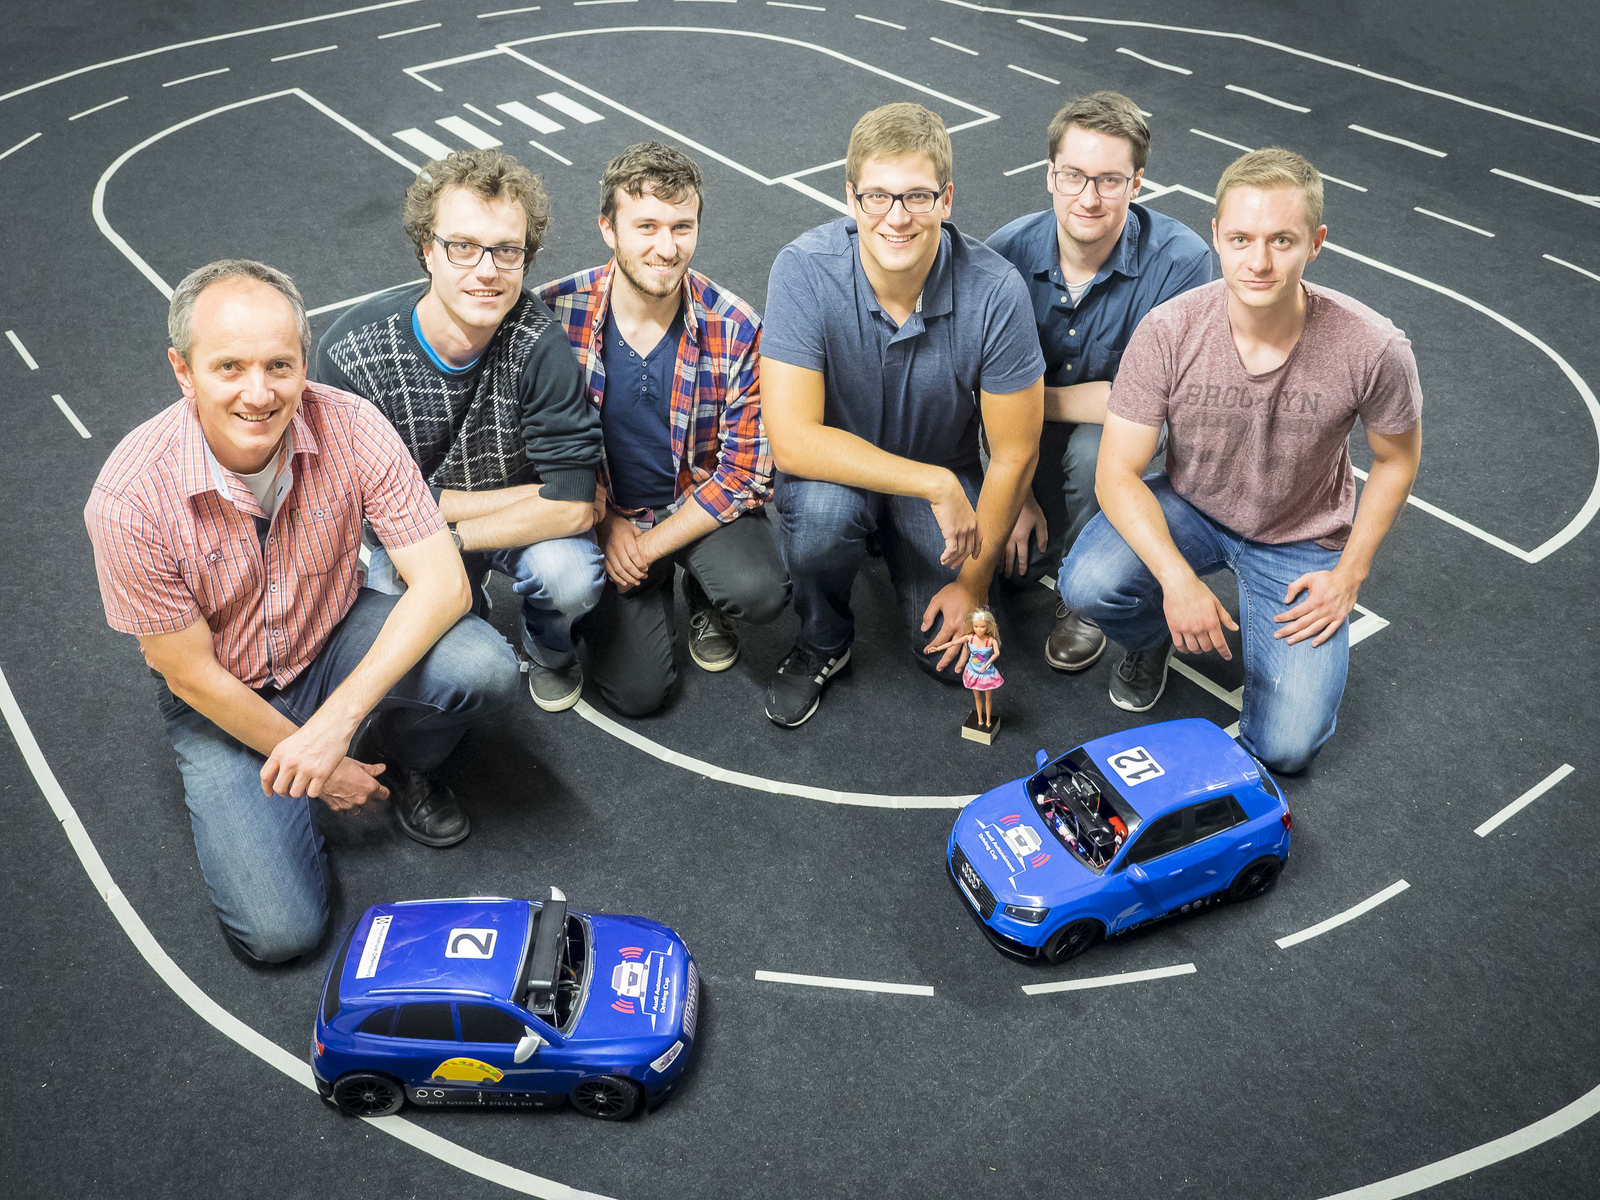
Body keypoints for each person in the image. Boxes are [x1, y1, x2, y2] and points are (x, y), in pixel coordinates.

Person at [85, 260, 521, 963]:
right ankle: (297, 785)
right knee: (279, 934)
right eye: (229, 367)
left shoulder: (353, 425)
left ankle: (405, 758)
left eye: (279, 365)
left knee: (485, 665)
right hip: (222, 694)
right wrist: (331, 769)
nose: (259, 393)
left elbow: (444, 585)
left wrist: (335, 727)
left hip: (332, 635)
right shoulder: (128, 500)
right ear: (183, 371)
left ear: (303, 361)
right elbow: (190, 676)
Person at [1058, 148, 1423, 773]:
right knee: (1087, 585)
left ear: (1316, 243)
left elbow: (1395, 460)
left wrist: (1350, 576)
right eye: (1241, 238)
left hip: (1301, 538)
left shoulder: (1374, 346)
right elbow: (1116, 473)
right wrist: (1177, 582)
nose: (1258, 261)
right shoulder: (1169, 331)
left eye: (1282, 240)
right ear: (1217, 238)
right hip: (1191, 505)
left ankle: (1269, 676)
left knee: (1285, 748)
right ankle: (1152, 642)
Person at [760, 102, 1046, 727]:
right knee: (820, 521)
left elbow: (1017, 450)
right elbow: (791, 441)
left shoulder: (996, 290)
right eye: (878, 197)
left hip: (938, 466)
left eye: (916, 196)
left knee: (944, 661)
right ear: (850, 198)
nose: (896, 217)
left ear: (946, 199)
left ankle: (901, 546)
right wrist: (934, 483)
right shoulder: (803, 270)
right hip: (842, 474)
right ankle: (823, 640)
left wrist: (971, 586)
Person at [317, 149, 604, 713]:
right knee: (401, 637)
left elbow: (573, 509)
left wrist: (448, 525)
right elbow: (363, 508)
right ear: (428, 250)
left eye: (506, 250)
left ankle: (547, 648)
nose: (487, 269)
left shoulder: (538, 343)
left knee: (569, 575)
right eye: (463, 247)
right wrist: (526, 497)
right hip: (410, 537)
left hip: (474, 528)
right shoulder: (352, 352)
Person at [540, 143, 788, 716]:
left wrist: (647, 547)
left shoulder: (737, 326)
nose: (666, 247)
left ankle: (706, 594)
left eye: (682, 226)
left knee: (761, 590)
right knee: (640, 695)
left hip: (691, 504)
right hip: (604, 512)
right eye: (646, 225)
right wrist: (605, 521)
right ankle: (617, 605)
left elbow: (746, 472)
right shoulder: (554, 315)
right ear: (608, 228)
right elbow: (537, 453)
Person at [987, 90, 1211, 673]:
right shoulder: (1003, 254)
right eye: (1074, 176)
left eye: (1110, 180)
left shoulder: (1182, 262)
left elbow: (1143, 404)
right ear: (1049, 176)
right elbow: (975, 389)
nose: (1089, 198)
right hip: (1019, 436)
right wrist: (1019, 494)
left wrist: (1023, 400)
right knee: (993, 571)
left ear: (1138, 183)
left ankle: (1080, 598)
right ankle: (1042, 526)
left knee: (1095, 449)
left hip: (1117, 442)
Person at [962, 609, 1003, 729]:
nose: (979, 629)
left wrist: (986, 665)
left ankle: (988, 721)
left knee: (988, 698)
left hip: (986, 673)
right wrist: (938, 648)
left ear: (988, 627)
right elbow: (954, 643)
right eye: (976, 626)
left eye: (982, 627)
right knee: (977, 697)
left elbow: (996, 653)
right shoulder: (970, 638)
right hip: (973, 670)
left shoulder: (991, 641)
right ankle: (980, 719)